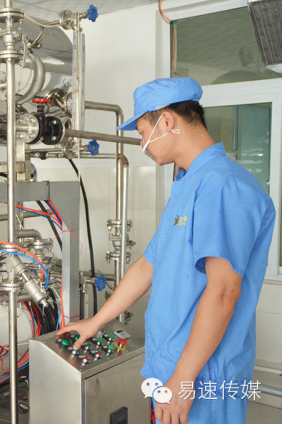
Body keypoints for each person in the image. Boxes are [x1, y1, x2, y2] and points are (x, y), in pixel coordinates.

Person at [57, 77, 275, 424]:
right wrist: (96, 322)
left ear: (168, 121)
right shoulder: (188, 184)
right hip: (174, 365)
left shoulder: (223, 185)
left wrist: (183, 380)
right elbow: (148, 265)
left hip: (202, 374)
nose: (143, 144)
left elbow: (223, 290)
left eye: (143, 132)